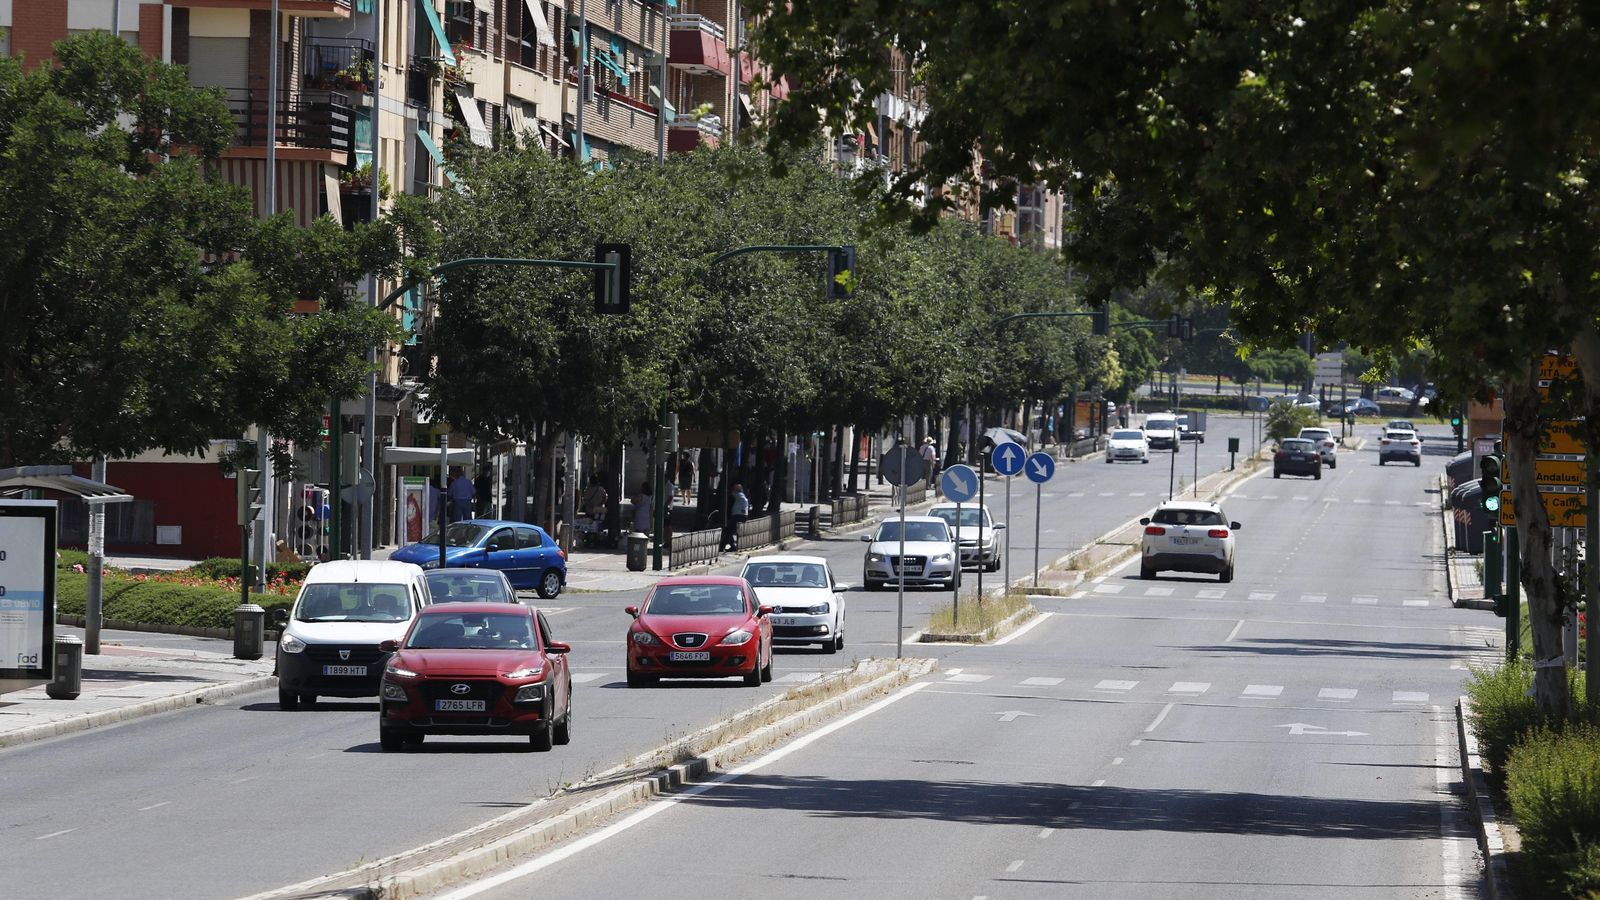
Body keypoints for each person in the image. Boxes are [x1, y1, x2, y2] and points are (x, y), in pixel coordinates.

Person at [724, 482, 750, 551]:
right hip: (742, 516)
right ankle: (732, 545)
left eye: (734, 489)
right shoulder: (743, 497)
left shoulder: (739, 495)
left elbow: (732, 494)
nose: (733, 490)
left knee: (728, 531)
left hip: (737, 516)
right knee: (730, 531)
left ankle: (725, 545)